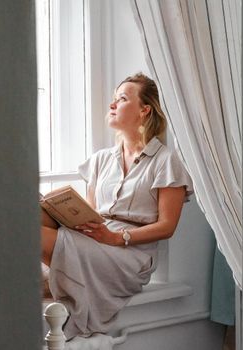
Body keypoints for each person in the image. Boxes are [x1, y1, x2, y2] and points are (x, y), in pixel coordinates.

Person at [41, 73, 193, 339]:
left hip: (129, 253)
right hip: (97, 237)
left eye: (121, 99)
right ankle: (64, 281)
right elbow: (92, 210)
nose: (112, 105)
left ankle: (64, 284)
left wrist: (116, 237)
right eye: (113, 99)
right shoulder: (101, 160)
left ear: (144, 110)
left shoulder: (165, 161)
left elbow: (167, 226)